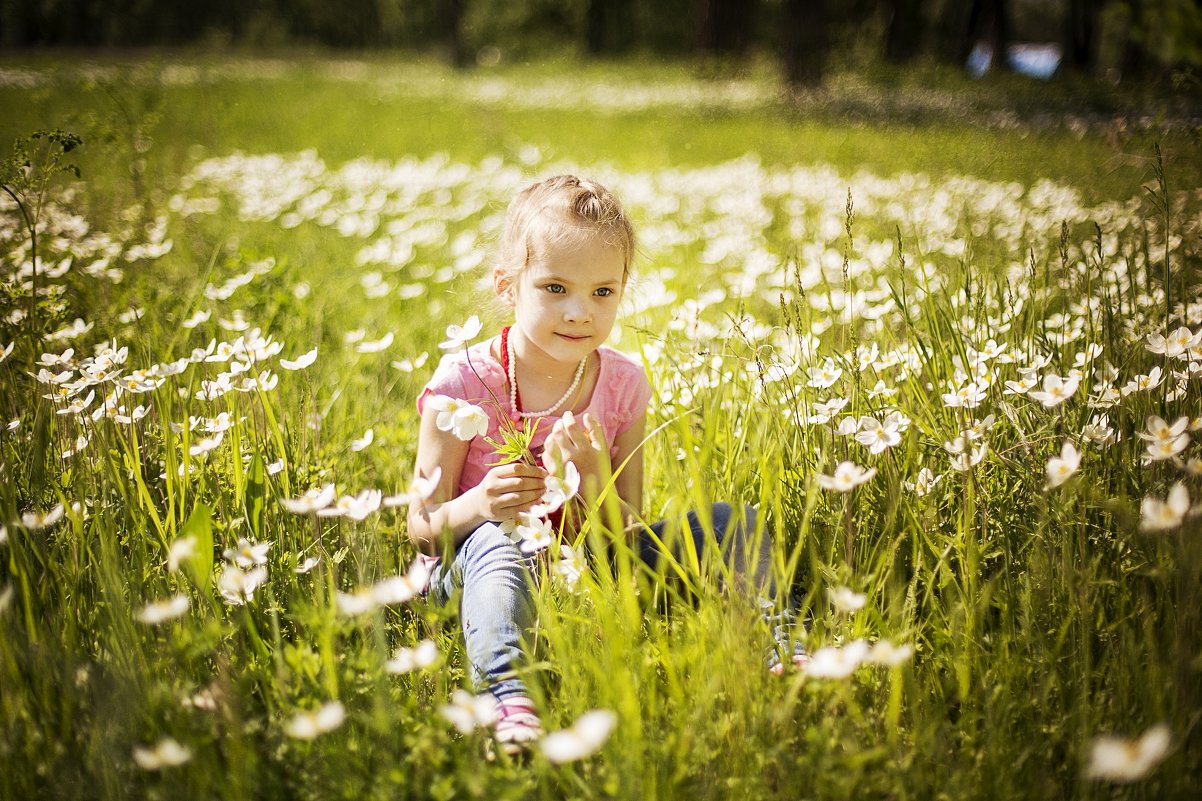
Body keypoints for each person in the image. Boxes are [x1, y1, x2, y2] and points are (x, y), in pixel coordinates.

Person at [407, 175, 805, 754]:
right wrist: (479, 504)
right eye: (555, 287)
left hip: (590, 563)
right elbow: (420, 528)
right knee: (495, 543)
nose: (579, 313)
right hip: (474, 572)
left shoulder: (622, 384)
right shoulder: (461, 385)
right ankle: (505, 692)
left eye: (602, 292)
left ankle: (783, 641)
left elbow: (629, 528)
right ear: (507, 286)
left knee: (730, 520)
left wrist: (593, 475)